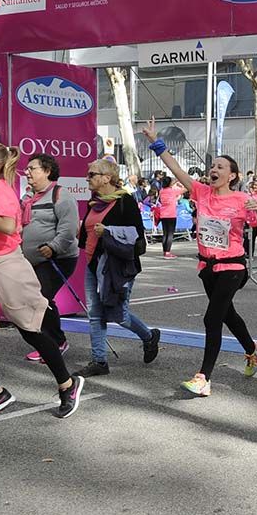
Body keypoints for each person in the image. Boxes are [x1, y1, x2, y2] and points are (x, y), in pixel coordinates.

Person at [0, 142, 84, 424]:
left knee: (31, 330)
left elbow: (9, 226)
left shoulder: (1, 190)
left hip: (8, 268)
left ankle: (67, 384)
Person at [142, 120, 257, 397]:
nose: (214, 169)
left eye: (221, 167)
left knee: (212, 318)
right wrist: (156, 142)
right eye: (213, 166)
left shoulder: (241, 199)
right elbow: (175, 168)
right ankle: (253, 349)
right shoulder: (201, 191)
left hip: (233, 266)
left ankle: (203, 377)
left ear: (232, 175)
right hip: (206, 266)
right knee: (228, 315)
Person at [77, 158, 161, 378]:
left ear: (107, 178)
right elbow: (87, 232)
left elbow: (136, 236)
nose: (88, 178)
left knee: (118, 315)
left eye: (92, 174)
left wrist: (108, 231)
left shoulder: (125, 201)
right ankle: (99, 361)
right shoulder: (94, 201)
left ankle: (149, 336)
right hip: (93, 264)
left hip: (117, 266)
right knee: (95, 314)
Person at [20, 153, 79, 363]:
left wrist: (53, 248)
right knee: (37, 299)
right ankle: (50, 341)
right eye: (27, 169)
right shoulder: (27, 198)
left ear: (47, 171)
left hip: (58, 258)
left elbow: (69, 228)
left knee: (42, 297)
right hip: (33, 260)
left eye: (32, 168)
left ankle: (55, 343)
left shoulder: (61, 195)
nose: (27, 172)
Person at [158, 175, 181, 259]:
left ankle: (165, 251)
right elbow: (185, 189)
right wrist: (178, 183)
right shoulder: (173, 190)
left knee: (165, 233)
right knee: (170, 234)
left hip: (163, 214)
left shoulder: (161, 191)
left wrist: (173, 182)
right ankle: (168, 252)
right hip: (171, 214)